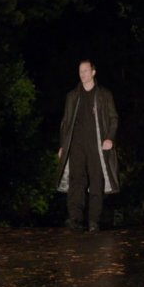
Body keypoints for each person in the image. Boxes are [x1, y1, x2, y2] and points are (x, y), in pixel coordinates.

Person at [56, 59, 119, 232]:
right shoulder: (72, 96)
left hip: (97, 145)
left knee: (97, 181)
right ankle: (75, 219)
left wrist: (110, 138)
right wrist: (63, 145)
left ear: (93, 72)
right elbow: (65, 123)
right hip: (76, 145)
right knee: (76, 181)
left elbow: (113, 119)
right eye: (80, 71)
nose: (82, 74)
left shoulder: (104, 95)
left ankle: (93, 221)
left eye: (85, 70)